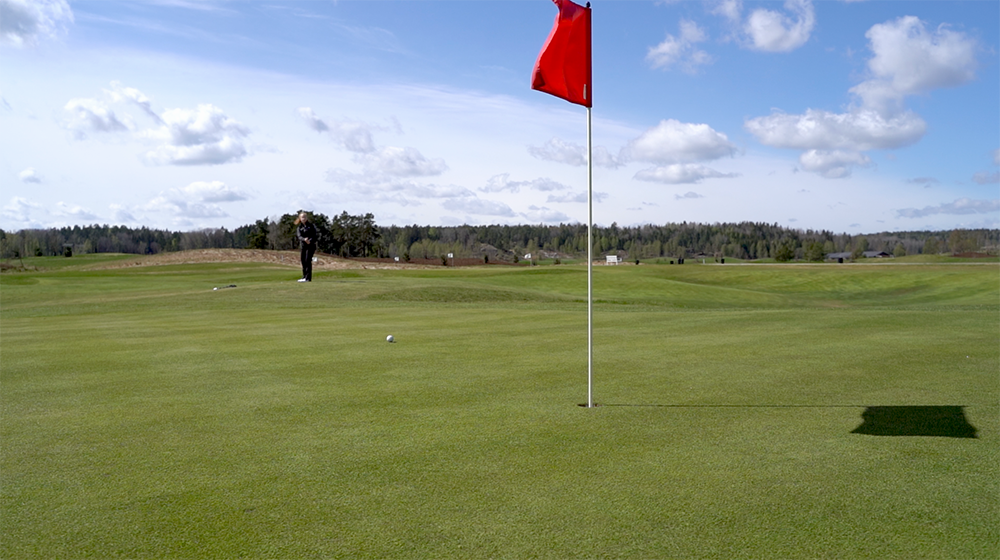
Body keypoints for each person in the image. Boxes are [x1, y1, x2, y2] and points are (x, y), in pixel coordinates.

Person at [295, 212, 318, 282]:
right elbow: (299, 236)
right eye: (302, 217)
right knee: (303, 261)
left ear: (306, 218)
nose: (303, 218)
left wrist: (310, 240)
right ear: (300, 218)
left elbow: (315, 235)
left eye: (304, 217)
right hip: (303, 246)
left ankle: (308, 278)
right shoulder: (299, 227)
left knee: (307, 260)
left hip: (311, 246)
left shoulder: (311, 226)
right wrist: (304, 239)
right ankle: (304, 276)